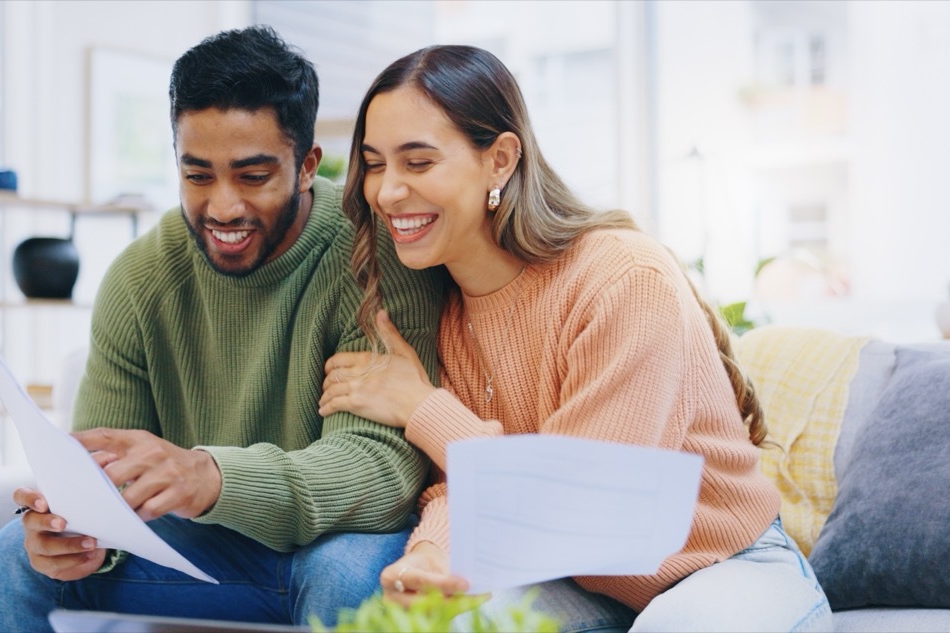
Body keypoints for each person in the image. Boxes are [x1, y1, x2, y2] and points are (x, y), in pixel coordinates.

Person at [318, 45, 833, 632]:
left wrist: (424, 407)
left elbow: (581, 498)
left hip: (724, 567)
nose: (385, 192)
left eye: (417, 162)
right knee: (442, 625)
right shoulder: (445, 311)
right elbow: (463, 489)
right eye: (375, 164)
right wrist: (433, 556)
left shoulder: (620, 279)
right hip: (582, 581)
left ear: (501, 160)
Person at [0, 27, 448, 632]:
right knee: (9, 561)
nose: (223, 207)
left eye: (252, 176)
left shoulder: (371, 256)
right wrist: (81, 533)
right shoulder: (141, 279)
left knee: (344, 577)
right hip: (203, 552)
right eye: (198, 175)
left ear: (306, 166)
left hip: (334, 546)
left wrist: (213, 476)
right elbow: (103, 473)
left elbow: (379, 476)